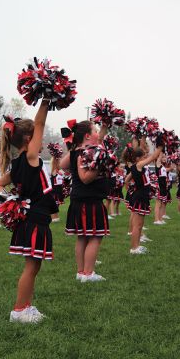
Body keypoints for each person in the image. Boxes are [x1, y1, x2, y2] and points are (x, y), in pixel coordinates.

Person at [0, 99, 58, 323]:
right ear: (29, 139)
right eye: (38, 136)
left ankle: (26, 307)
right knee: (31, 267)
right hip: (34, 219)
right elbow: (39, 123)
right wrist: (46, 100)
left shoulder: (18, 163)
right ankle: (19, 311)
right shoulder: (29, 159)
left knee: (34, 266)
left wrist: (11, 198)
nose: (42, 139)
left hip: (31, 217)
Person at [60, 120, 109, 282]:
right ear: (88, 136)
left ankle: (81, 272)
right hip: (89, 201)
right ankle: (88, 274)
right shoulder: (84, 153)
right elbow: (85, 178)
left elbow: (62, 164)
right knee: (95, 236)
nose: (98, 134)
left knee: (82, 237)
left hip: (79, 200)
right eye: (95, 131)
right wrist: (99, 166)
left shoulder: (77, 151)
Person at [124, 145, 163, 254]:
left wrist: (129, 186)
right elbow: (153, 156)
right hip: (140, 196)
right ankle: (134, 248)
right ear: (137, 158)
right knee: (137, 225)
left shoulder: (136, 166)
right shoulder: (139, 164)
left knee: (140, 225)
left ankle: (137, 246)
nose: (145, 158)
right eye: (143, 156)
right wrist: (161, 145)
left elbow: (127, 179)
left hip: (141, 195)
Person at [154, 152, 168, 225]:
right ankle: (156, 220)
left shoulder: (163, 166)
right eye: (163, 157)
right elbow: (158, 158)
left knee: (163, 203)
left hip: (164, 187)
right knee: (158, 204)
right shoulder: (158, 164)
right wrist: (161, 148)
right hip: (159, 186)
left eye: (165, 157)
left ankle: (161, 219)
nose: (164, 158)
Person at [50, 156, 64, 223]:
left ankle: (55, 217)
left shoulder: (59, 171)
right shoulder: (54, 171)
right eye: (59, 162)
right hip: (54, 192)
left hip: (59, 191)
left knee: (56, 205)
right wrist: (55, 158)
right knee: (54, 205)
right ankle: (53, 218)